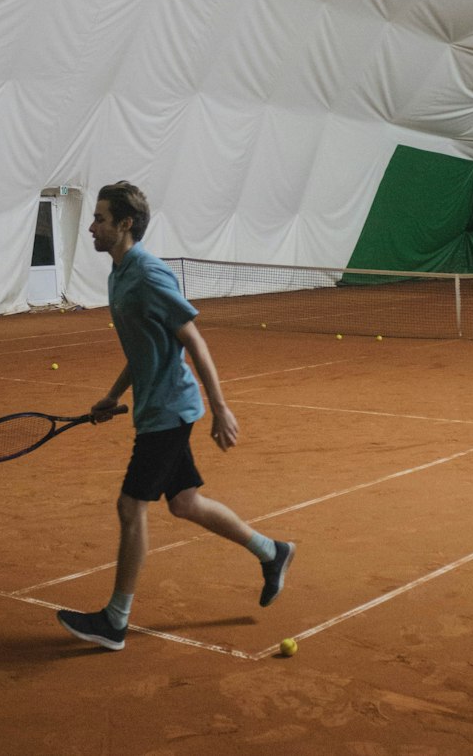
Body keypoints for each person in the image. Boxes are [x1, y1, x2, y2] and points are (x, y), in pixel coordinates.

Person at [56, 180, 294, 651]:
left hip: (171, 408)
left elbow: (192, 340)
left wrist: (221, 407)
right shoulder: (118, 274)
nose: (92, 226)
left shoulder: (148, 274)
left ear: (125, 224)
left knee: (130, 507)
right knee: (185, 503)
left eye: (100, 218)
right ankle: (273, 552)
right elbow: (145, 346)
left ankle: (115, 621)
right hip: (153, 407)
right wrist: (113, 394)